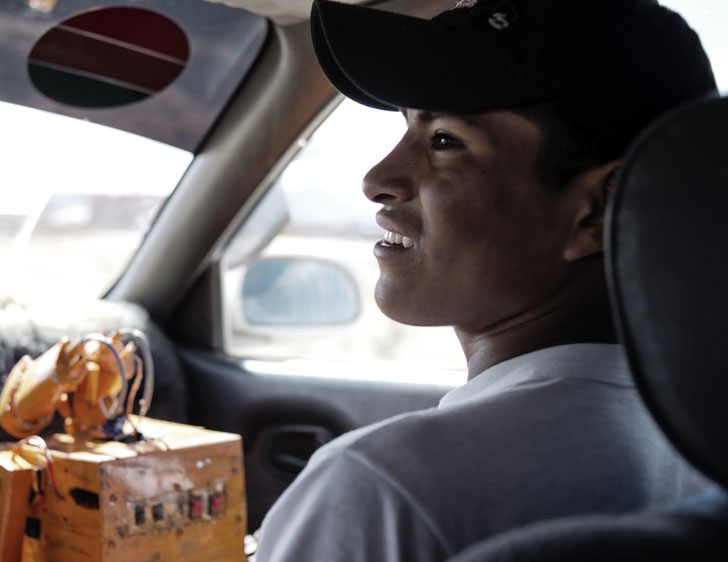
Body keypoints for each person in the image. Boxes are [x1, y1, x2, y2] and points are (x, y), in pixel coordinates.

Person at [255, 0, 719, 560]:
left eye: (445, 140)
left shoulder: (385, 488)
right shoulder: (695, 445)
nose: (376, 179)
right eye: (406, 129)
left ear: (597, 211)